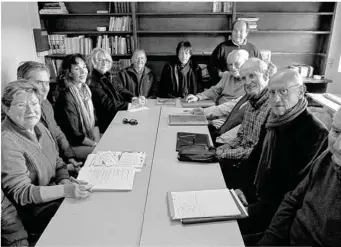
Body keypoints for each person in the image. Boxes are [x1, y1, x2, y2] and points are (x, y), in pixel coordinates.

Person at [232, 69, 329, 242]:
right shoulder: (273, 121)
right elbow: (254, 158)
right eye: (272, 92)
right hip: (256, 198)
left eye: (283, 91)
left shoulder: (315, 132)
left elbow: (294, 190)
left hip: (277, 213)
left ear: (300, 92)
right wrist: (242, 189)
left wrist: (251, 209)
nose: (276, 99)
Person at [1, 80, 91, 240]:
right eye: (21, 106)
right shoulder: (6, 141)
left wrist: (64, 180)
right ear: (6, 109)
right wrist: (65, 190)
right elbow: (23, 194)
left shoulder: (39, 126)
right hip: (35, 212)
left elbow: (57, 162)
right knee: (85, 219)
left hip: (56, 194)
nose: (31, 110)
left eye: (35, 104)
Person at [257, 107, 341, 247]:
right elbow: (292, 201)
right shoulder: (327, 157)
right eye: (336, 132)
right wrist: (269, 240)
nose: (338, 146)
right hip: (285, 238)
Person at [16, 61, 83, 174]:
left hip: (60, 164)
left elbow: (57, 132)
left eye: (47, 83)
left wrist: (70, 156)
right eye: (39, 83)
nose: (45, 88)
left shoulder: (46, 103)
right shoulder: (17, 114)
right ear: (21, 82)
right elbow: (34, 166)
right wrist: (65, 169)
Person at [215, 58, 272, 188]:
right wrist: (220, 149)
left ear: (266, 75)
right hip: (240, 160)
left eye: (252, 76)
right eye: (244, 78)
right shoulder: (251, 102)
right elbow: (241, 137)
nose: (247, 82)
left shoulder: (272, 108)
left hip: (252, 172)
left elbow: (256, 152)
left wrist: (222, 154)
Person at [87, 48, 144, 133]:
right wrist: (130, 105)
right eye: (100, 60)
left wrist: (133, 98)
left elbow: (120, 89)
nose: (104, 63)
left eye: (106, 60)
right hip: (107, 123)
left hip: (116, 115)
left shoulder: (107, 75)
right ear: (93, 62)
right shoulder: (93, 81)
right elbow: (107, 103)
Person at [55, 54, 100, 155]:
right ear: (69, 73)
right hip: (73, 145)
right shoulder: (66, 97)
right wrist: (95, 144)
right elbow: (73, 135)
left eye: (84, 67)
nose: (83, 71)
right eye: (77, 68)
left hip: (88, 138)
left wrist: (98, 142)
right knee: (104, 153)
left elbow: (95, 122)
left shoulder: (85, 90)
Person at [208, 20, 262, 85]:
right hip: (226, 85)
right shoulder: (222, 47)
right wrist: (221, 74)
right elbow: (211, 65)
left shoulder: (253, 49)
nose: (237, 34)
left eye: (241, 31)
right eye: (235, 30)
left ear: (246, 33)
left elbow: (260, 68)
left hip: (247, 86)